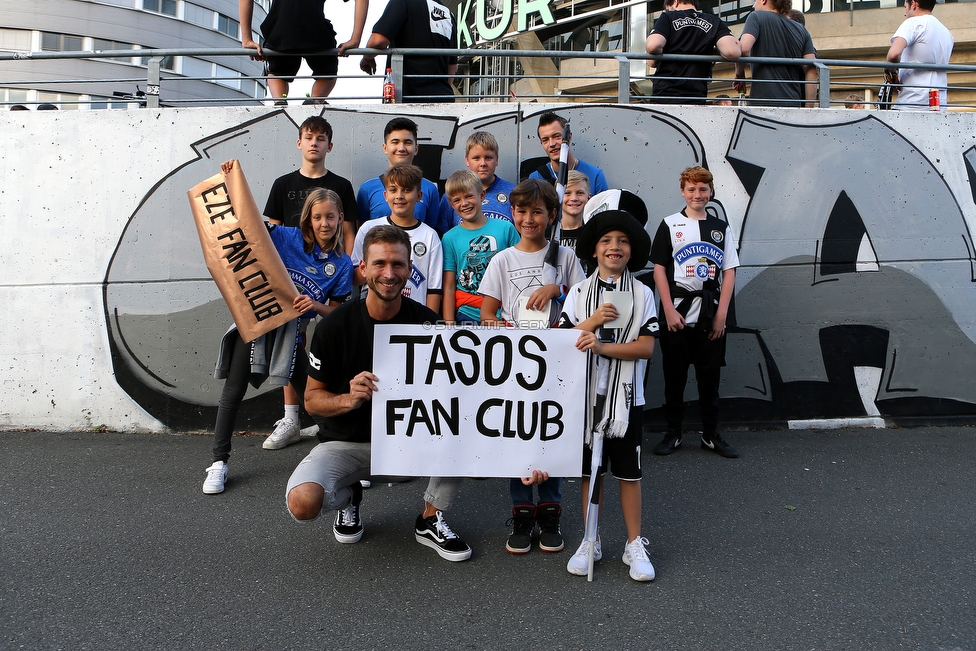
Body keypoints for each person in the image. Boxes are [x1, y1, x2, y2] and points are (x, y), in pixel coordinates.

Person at [286, 225, 472, 561]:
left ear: (409, 270)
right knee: (302, 503)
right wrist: (348, 398)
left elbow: (457, 398)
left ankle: (430, 517)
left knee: (461, 428)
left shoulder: (427, 323)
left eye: (398, 265)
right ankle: (349, 497)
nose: (389, 273)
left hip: (407, 444)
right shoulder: (333, 327)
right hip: (347, 444)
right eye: (380, 263)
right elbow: (312, 399)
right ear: (363, 268)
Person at [203, 180, 353, 494]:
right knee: (233, 391)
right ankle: (218, 463)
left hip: (294, 337)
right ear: (308, 219)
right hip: (258, 325)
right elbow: (249, 228)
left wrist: (315, 305)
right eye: (317, 217)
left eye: (330, 216)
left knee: (316, 401)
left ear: (341, 217)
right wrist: (235, 185)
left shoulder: (341, 264)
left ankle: (348, 463)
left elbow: (337, 315)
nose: (323, 223)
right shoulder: (287, 237)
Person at [479, 179, 585, 554]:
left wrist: (556, 289)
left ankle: (550, 510)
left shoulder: (564, 258)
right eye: (521, 211)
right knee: (518, 433)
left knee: (551, 429)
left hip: (556, 365)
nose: (528, 218)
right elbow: (487, 313)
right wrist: (507, 330)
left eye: (537, 212)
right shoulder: (502, 260)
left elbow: (584, 304)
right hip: (514, 365)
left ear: (551, 216)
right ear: (512, 214)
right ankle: (522, 512)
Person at [559, 207, 660, 582]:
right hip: (585, 396)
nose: (614, 247)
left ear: (631, 250)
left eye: (621, 241)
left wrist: (602, 347)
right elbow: (562, 341)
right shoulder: (580, 293)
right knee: (590, 471)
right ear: (594, 250)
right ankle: (590, 539)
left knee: (629, 473)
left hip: (626, 398)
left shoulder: (644, 293)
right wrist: (594, 322)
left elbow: (646, 347)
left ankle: (634, 543)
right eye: (605, 241)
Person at [650, 166, 739, 459]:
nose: (697, 194)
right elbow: (660, 269)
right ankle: (673, 433)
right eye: (691, 189)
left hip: (710, 314)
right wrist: (668, 308)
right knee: (674, 377)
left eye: (702, 189)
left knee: (709, 378)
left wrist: (722, 314)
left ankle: (711, 434)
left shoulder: (721, 228)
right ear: (682, 191)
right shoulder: (670, 224)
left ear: (711, 191)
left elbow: (729, 272)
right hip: (677, 314)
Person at [352, 164, 443, 314]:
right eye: (393, 190)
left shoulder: (430, 236)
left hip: (413, 317)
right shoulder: (368, 228)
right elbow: (355, 278)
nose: (399, 196)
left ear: (419, 196)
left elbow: (434, 289)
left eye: (407, 190)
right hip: (373, 314)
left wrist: (429, 325)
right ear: (386, 195)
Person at [238, 0, 368, 102]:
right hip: (315, 29)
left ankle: (280, 100)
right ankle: (315, 100)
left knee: (277, 71)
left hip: (281, 29)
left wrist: (247, 39)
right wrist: (355, 39)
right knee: (327, 72)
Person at [264, 116, 357, 252]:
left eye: (320, 139)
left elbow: (348, 235)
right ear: (299, 143)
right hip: (291, 265)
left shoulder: (342, 186)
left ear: (329, 146)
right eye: (308, 138)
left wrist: (347, 267)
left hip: (331, 267)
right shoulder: (282, 184)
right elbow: (273, 234)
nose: (314, 143)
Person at [440, 169, 519, 324]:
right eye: (457, 200)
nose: (464, 203)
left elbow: (519, 270)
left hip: (505, 313)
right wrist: (448, 323)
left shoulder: (506, 228)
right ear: (451, 204)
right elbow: (449, 286)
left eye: (469, 196)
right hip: (467, 312)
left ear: (482, 196)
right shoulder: (449, 238)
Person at [358, 0, 458, 103]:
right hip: (443, 101)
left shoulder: (404, 2)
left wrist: (367, 58)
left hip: (409, 102)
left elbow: (377, 41)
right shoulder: (449, 15)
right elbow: (453, 67)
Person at [644, 0, 740, 104]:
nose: (668, 11)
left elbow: (653, 46)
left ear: (675, 2)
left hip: (665, 93)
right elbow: (732, 51)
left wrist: (655, 58)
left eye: (668, 8)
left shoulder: (667, 17)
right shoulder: (714, 21)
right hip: (696, 95)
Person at [356, 117, 442, 232]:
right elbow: (361, 232)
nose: (401, 148)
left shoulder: (430, 189)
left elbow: (430, 231)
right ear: (385, 148)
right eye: (395, 142)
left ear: (416, 149)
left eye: (407, 142)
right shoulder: (367, 189)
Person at [733, 0, 817, 108]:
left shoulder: (756, 16)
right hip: (793, 104)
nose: (753, 5)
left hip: (762, 104)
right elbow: (812, 70)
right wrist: (809, 109)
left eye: (755, 1)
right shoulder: (802, 30)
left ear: (764, 0)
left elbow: (743, 49)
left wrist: (739, 74)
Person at [438, 131, 515, 229]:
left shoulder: (513, 192)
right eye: (476, 158)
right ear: (467, 160)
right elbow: (445, 235)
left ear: (496, 159)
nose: (483, 163)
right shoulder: (453, 195)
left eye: (488, 158)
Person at [885, 0, 953, 111]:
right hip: (939, 104)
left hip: (912, 102)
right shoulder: (946, 32)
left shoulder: (913, 23)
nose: (905, 13)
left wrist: (892, 75)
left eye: (905, 7)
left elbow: (893, 54)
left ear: (914, 4)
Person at [529, 112, 609, 196]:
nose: (551, 144)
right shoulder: (536, 179)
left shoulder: (595, 175)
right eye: (545, 140)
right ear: (541, 143)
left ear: (569, 137)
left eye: (557, 136)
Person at [558, 171, 591, 254]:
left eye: (580, 193)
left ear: (589, 197)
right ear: (557, 196)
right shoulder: (546, 235)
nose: (574, 198)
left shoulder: (594, 235)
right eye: (567, 193)